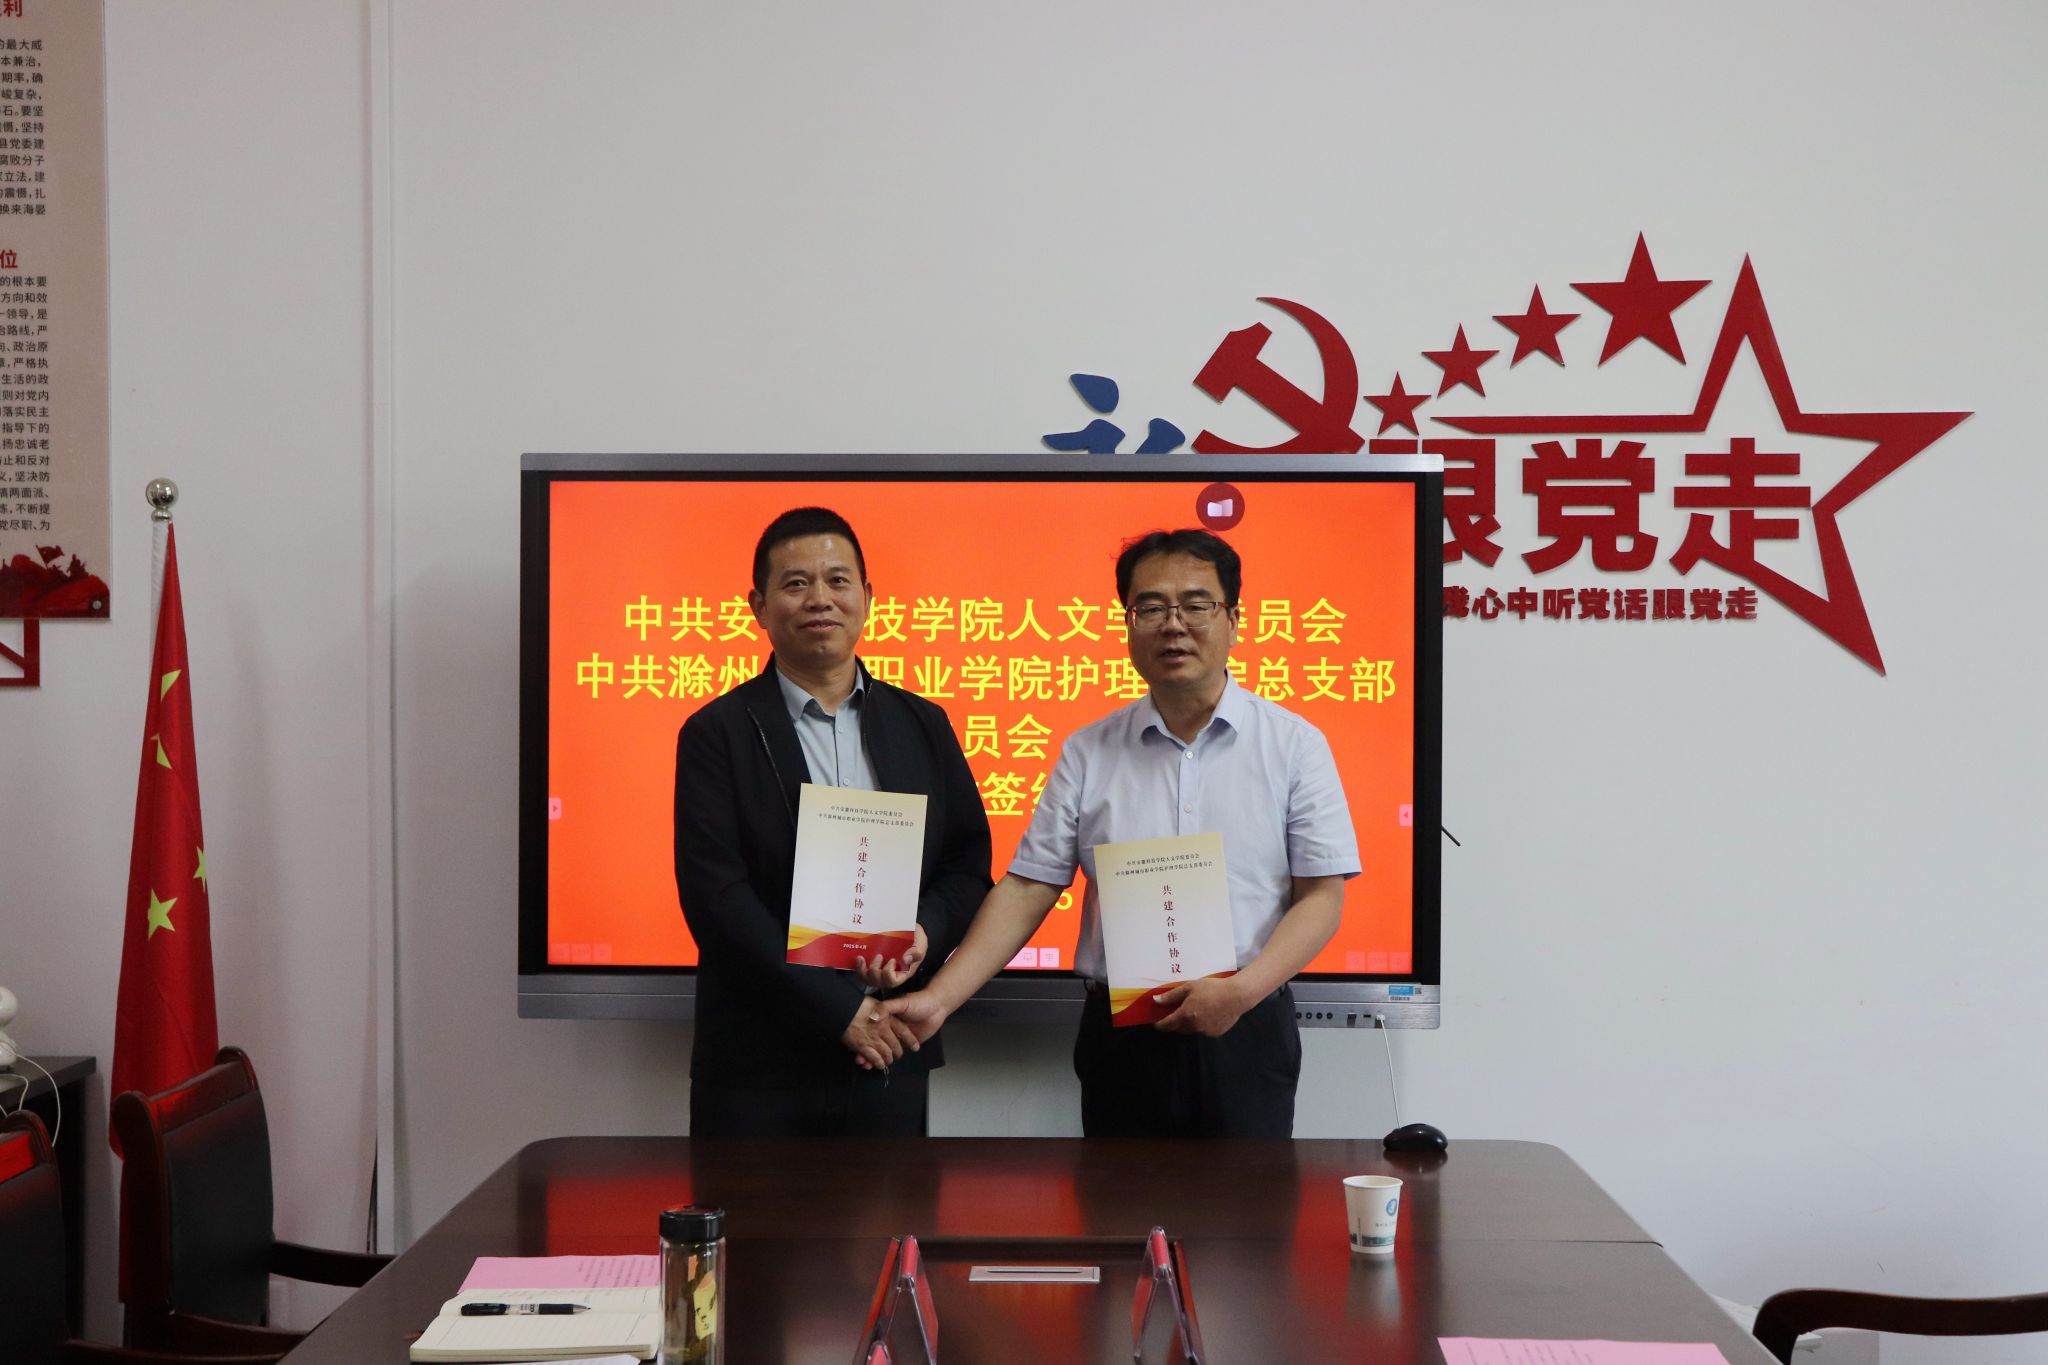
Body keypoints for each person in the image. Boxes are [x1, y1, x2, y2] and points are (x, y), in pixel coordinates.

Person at [884, 528, 1358, 1137]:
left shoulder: (1294, 746)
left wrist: (1241, 993)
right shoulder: (1089, 751)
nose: (1173, 625)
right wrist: (941, 998)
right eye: (1151, 608)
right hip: (1122, 1035)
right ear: (1129, 624)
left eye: (1195, 605)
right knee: (1117, 1199)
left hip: (1248, 1025)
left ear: (1234, 621)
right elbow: (1029, 887)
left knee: (1248, 1201)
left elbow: (1321, 897)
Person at [673, 507, 992, 1136]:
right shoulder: (717, 732)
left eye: (838, 580)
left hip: (892, 1044)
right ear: (759, 607)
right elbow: (717, 898)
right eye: (796, 583)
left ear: (867, 597)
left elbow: (966, 864)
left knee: (895, 1206)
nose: (820, 598)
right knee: (749, 1208)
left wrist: (923, 933)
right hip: (758, 1061)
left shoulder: (923, 724)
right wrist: (838, 1011)